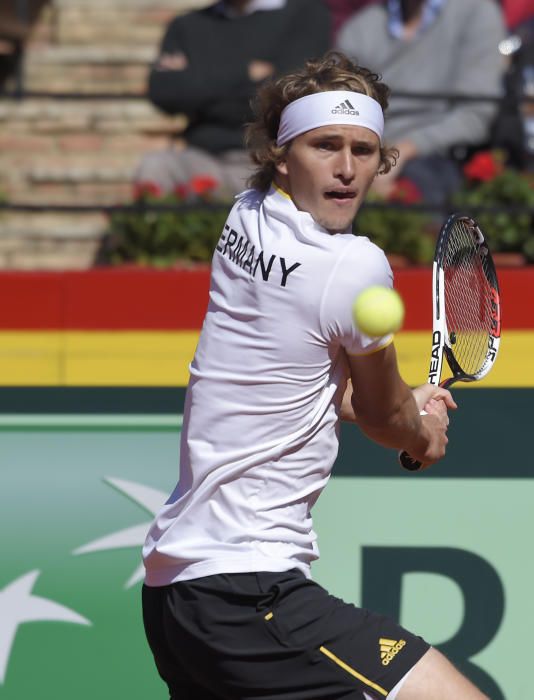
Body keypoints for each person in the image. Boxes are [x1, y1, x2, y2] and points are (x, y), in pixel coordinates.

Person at [141, 51, 490, 699]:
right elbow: (386, 420)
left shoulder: (246, 215)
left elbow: (324, 385)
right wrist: (423, 430)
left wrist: (402, 403)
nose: (347, 167)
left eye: (365, 150)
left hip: (175, 593)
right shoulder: (353, 268)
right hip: (250, 591)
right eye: (324, 145)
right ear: (282, 154)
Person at [134, 0, 331, 199]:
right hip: (200, 154)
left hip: (267, 157)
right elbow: (163, 93)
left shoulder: (306, 15)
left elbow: (287, 95)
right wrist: (245, 74)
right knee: (155, 167)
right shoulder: (188, 24)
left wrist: (197, 82)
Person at [336, 0, 507, 205]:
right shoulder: (361, 28)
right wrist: (370, 157)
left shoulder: (476, 13)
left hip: (439, 158)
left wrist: (401, 152)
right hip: (368, 149)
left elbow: (475, 116)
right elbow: (341, 110)